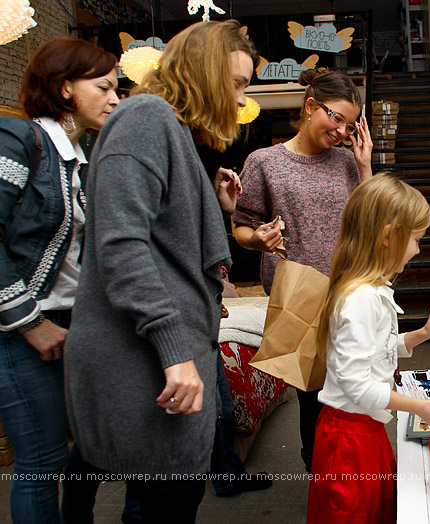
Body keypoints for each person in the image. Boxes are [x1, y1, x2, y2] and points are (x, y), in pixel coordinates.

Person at [60, 20, 256, 524]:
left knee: (171, 501)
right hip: (142, 358)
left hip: (159, 357)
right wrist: (174, 351)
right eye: (236, 84)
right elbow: (122, 246)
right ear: (205, 75)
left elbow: (164, 237)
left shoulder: (169, 128)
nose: (241, 99)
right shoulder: (146, 117)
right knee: (161, 506)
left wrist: (216, 207)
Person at [0, 37, 118, 524]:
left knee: (87, 450)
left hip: (72, 325)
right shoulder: (18, 140)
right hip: (22, 330)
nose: (115, 98)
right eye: (105, 86)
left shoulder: (77, 158)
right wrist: (30, 322)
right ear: (65, 88)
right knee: (41, 463)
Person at [232, 67, 373, 471]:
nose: (342, 131)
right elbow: (241, 225)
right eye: (336, 118)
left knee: (357, 389)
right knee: (315, 396)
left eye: (350, 124)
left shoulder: (348, 163)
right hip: (299, 295)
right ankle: (321, 474)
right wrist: (257, 239)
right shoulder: (264, 162)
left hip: (350, 291)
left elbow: (370, 219)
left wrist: (364, 166)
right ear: (311, 106)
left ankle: (356, 473)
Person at [307, 174, 430, 523]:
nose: (418, 250)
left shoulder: (366, 289)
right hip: (350, 437)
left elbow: (377, 350)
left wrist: (423, 332)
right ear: (389, 236)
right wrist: (421, 407)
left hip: (361, 429)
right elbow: (357, 384)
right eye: (416, 239)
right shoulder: (363, 297)